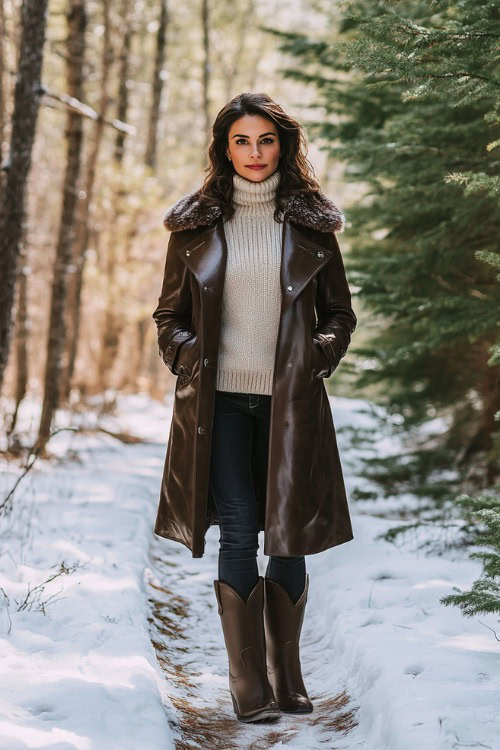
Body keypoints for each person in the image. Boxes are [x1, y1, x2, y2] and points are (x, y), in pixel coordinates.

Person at [152, 92, 357, 723]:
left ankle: (288, 677)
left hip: (290, 401)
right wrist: (189, 357)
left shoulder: (312, 226)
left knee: (287, 535)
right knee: (240, 529)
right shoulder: (194, 227)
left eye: (265, 140)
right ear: (223, 149)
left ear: (284, 145)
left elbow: (339, 315)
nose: (254, 153)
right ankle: (248, 684)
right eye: (241, 141)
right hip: (219, 404)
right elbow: (168, 318)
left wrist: (315, 358)